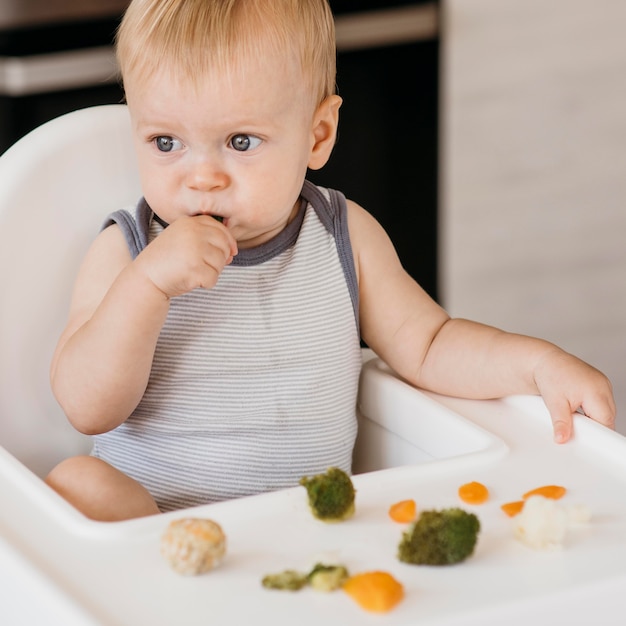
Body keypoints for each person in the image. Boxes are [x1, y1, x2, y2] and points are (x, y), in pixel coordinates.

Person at [45, 0, 615, 522]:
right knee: (79, 484)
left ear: (318, 135)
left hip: (312, 529)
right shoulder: (127, 251)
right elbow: (86, 406)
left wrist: (537, 363)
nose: (202, 178)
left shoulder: (345, 236)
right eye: (166, 143)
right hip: (156, 530)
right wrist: (147, 287)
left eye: (241, 142)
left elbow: (432, 344)